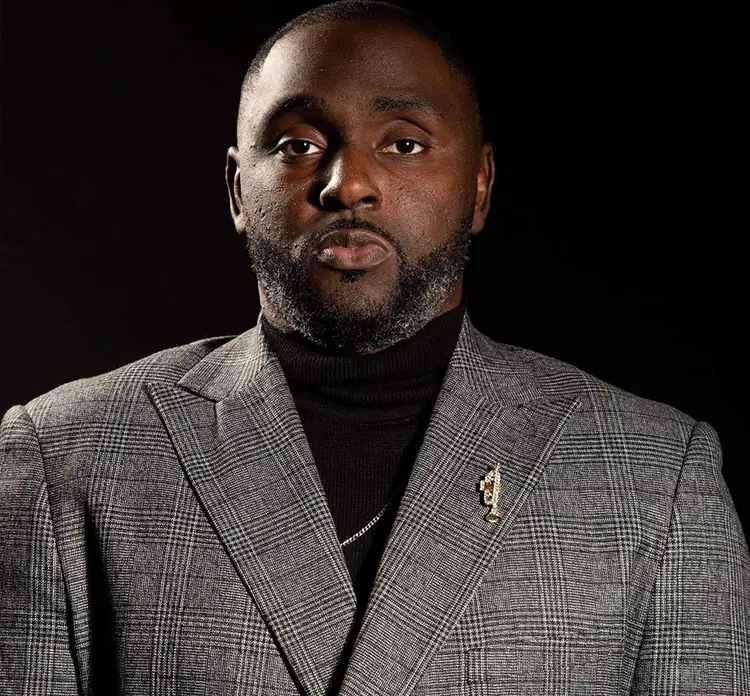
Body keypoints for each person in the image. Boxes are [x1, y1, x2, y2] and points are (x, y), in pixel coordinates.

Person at [1, 1, 747, 693]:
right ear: (237, 190)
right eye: (298, 144)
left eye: (405, 143)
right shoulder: (67, 455)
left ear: (479, 186)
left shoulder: (655, 477)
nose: (349, 183)